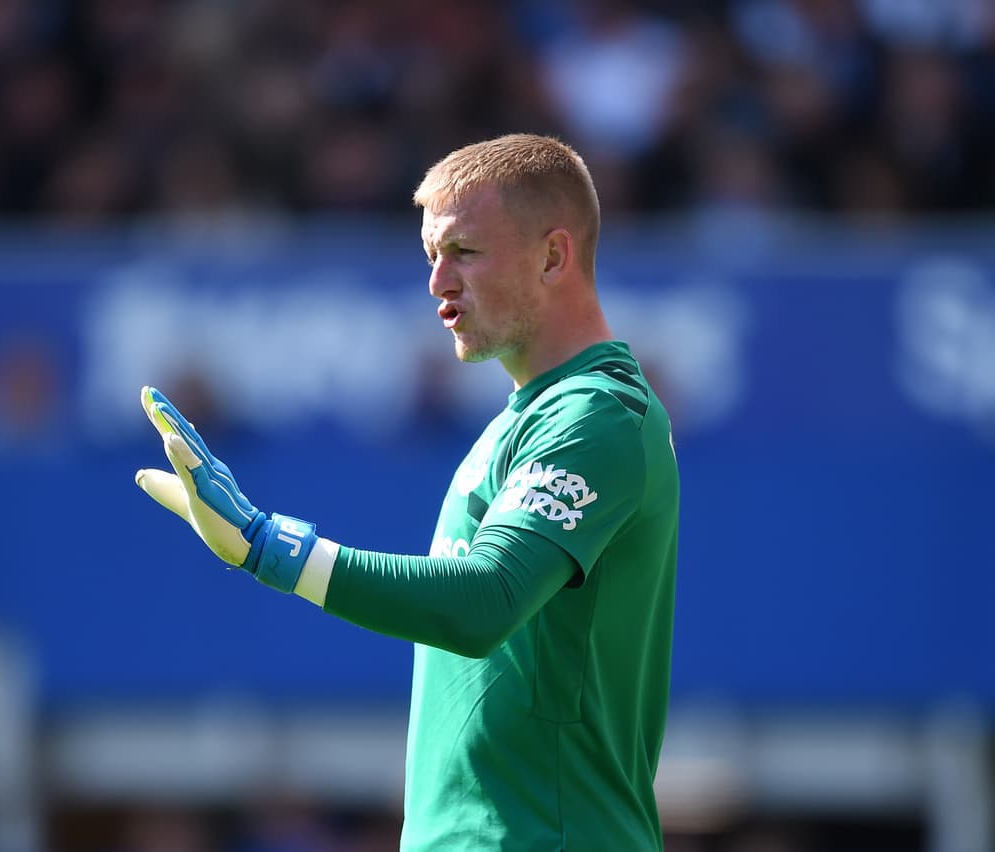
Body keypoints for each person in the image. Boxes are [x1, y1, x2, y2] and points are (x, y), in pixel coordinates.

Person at [135, 133, 679, 851]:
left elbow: (485, 601)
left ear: (553, 256)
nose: (437, 283)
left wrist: (273, 550)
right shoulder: (521, 424)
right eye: (431, 257)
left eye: (464, 253)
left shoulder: (598, 416)